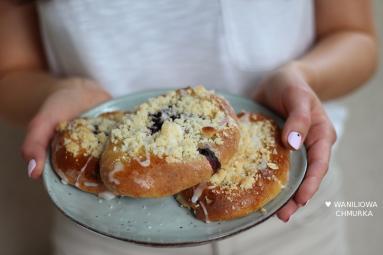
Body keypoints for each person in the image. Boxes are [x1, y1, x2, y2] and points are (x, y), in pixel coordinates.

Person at [0, 0, 378, 254]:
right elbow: (10, 73)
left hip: (290, 203)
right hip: (104, 226)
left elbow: (355, 36)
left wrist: (301, 76)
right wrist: (62, 92)